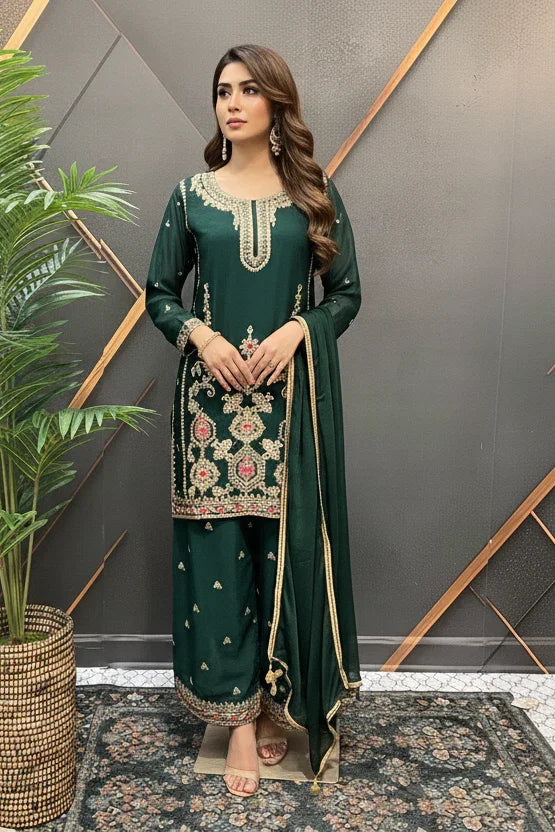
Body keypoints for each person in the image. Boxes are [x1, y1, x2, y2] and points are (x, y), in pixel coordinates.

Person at [145, 43, 363, 798]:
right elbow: (158, 292)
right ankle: (236, 722)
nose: (230, 103)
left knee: (282, 559)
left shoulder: (312, 194)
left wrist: (298, 331)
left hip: (287, 409)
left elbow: (345, 294)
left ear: (275, 103)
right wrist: (201, 337)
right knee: (217, 562)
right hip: (208, 416)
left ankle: (272, 705)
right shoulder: (190, 197)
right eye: (220, 92)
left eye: (245, 91)